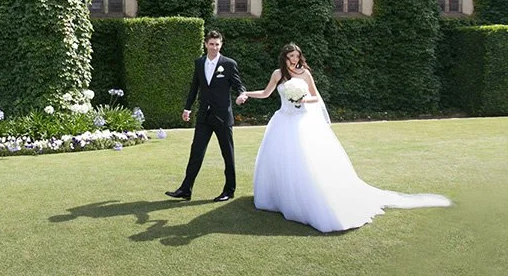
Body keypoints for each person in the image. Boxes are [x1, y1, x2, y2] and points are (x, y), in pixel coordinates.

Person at [236, 42, 451, 233]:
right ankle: (281, 198)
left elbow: (315, 97)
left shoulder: (305, 74)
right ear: (284, 58)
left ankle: (309, 201)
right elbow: (266, 93)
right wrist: (246, 94)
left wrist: (302, 99)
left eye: (296, 56)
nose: (293, 60)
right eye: (290, 57)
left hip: (302, 122)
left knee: (305, 162)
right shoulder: (278, 74)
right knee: (281, 161)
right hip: (283, 121)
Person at [166, 30, 245, 202]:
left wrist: (241, 95)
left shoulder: (229, 64)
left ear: (221, 45)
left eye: (217, 44)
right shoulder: (199, 62)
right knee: (196, 152)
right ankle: (186, 189)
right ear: (206, 44)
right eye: (211, 44)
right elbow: (194, 87)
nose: (214, 47)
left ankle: (229, 190)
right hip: (204, 116)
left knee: (227, 154)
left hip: (223, 117)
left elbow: (239, 85)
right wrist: (187, 108)